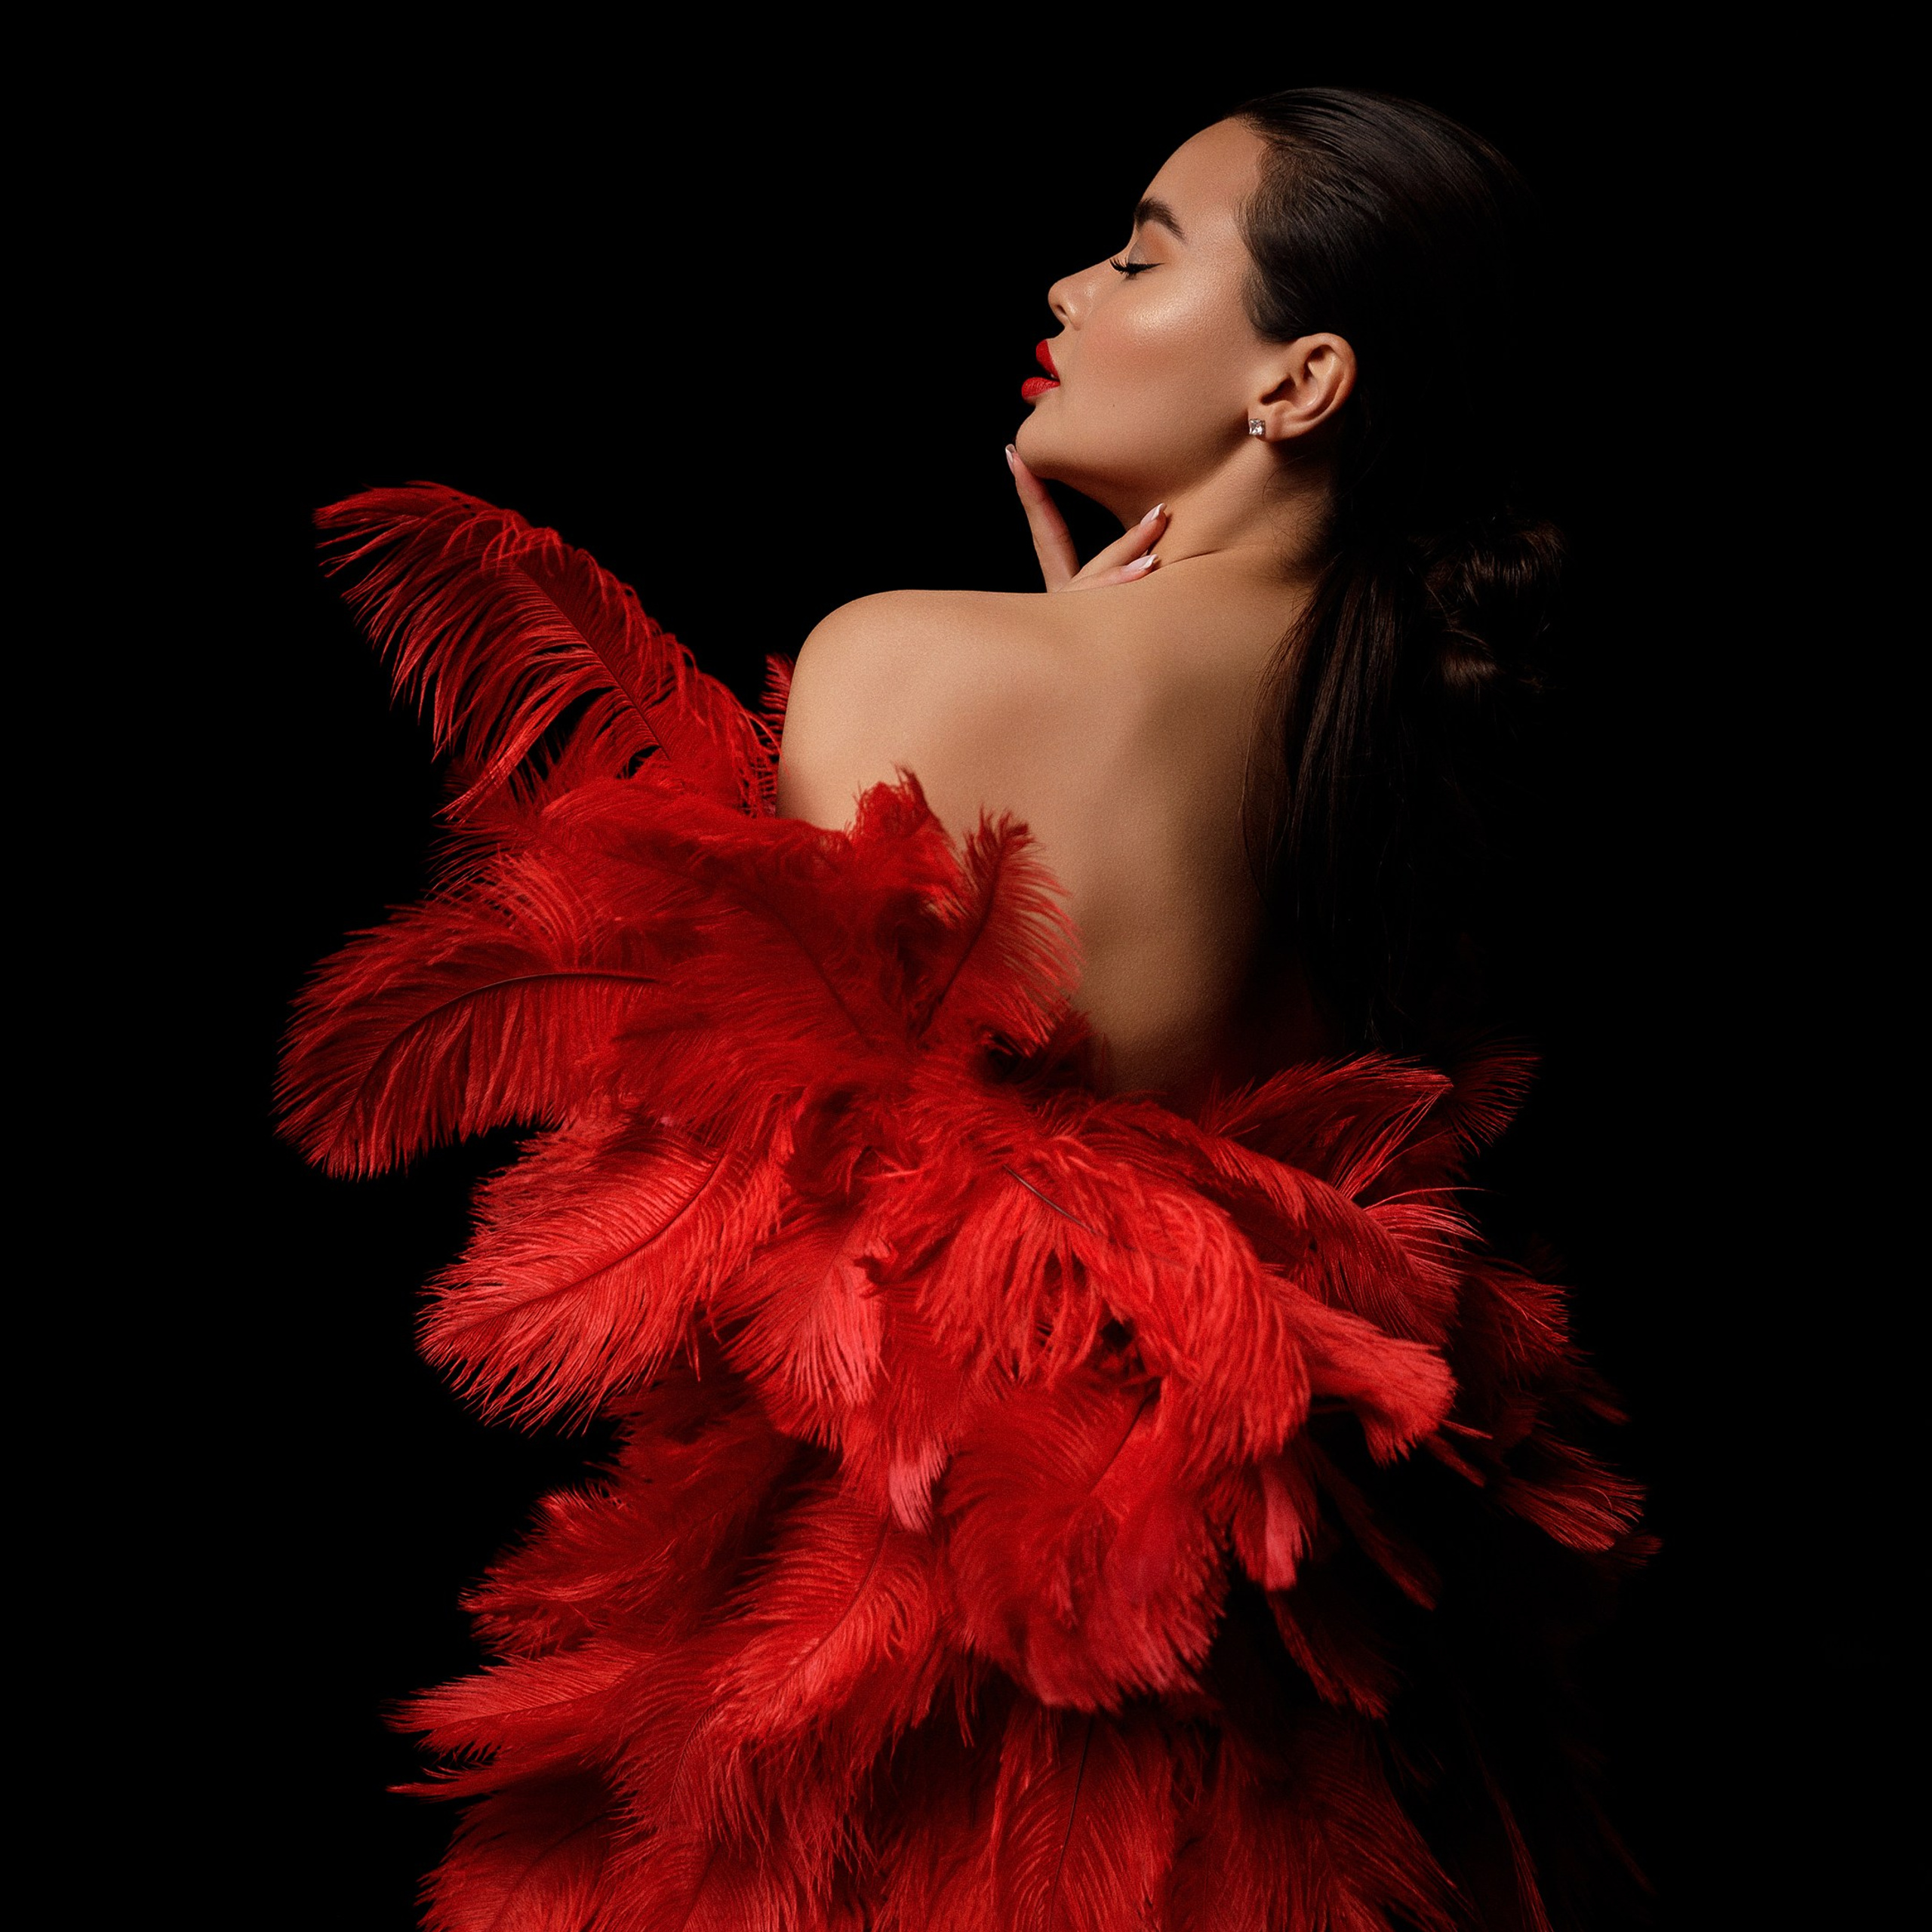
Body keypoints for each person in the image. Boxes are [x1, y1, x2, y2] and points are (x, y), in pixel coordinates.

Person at [282, 88, 1644, 1931]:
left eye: (1143, 253)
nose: (1070, 287)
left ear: (1299, 382)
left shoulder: (901, 656)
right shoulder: (1433, 751)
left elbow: (777, 1221)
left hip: (926, 1672)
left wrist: (1043, 653)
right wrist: (1083, 637)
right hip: (1319, 1674)